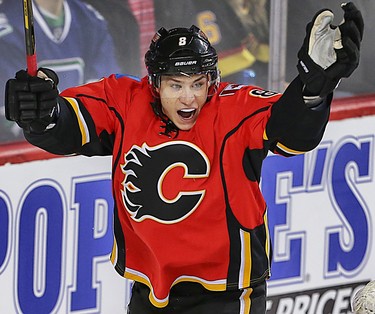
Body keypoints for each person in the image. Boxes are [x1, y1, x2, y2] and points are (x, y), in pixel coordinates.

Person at [4, 2, 363, 313]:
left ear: (212, 80)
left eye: (197, 83)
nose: (189, 98)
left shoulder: (234, 108)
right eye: (176, 85)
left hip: (227, 295)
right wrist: (41, 114)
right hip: (151, 292)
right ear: (155, 84)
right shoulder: (126, 101)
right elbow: (68, 125)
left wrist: (312, 87)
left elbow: (293, 132)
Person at [0, 0, 119, 142]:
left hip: (79, 148)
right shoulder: (7, 28)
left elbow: (107, 102)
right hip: (29, 155)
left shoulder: (91, 20)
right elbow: (10, 119)